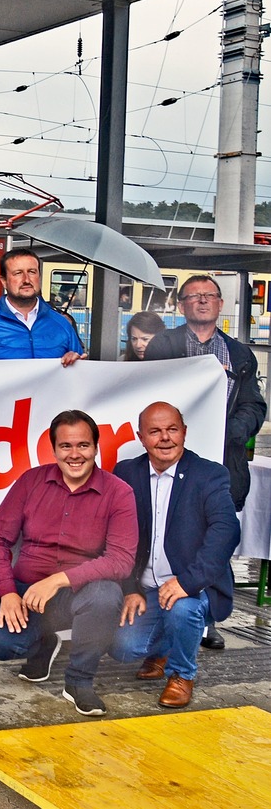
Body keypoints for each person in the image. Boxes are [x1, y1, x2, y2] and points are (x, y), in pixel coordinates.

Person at [0, 409, 137, 716]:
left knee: (106, 595)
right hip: (28, 593)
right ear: (54, 449)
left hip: (80, 594)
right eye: (66, 446)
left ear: (96, 447)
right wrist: (7, 593)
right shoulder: (31, 482)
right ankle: (43, 646)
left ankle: (79, 681)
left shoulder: (118, 492)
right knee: (0, 644)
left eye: (83, 445)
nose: (75, 454)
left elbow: (120, 561)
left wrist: (57, 580)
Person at [143, 274, 266, 650]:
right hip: (171, 461)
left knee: (213, 539)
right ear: (181, 305)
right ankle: (170, 612)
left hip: (221, 467)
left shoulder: (240, 353)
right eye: (193, 296)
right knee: (174, 535)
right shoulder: (163, 345)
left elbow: (254, 405)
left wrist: (230, 430)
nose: (201, 301)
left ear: (220, 304)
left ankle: (206, 617)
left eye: (209, 296)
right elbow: (144, 392)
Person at [109, 402, 240, 708]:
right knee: (123, 648)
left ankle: (182, 674)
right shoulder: (127, 473)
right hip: (147, 589)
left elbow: (226, 532)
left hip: (194, 587)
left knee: (183, 610)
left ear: (184, 432)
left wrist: (188, 581)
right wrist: (130, 589)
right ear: (141, 438)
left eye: (172, 429)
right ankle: (163, 648)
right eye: (155, 431)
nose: (165, 438)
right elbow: (117, 537)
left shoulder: (209, 475)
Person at [0, 248, 85, 364]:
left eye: (32, 272)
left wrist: (76, 361)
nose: (26, 279)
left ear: (39, 277)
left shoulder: (62, 324)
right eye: (18, 273)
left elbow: (80, 378)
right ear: (4, 281)